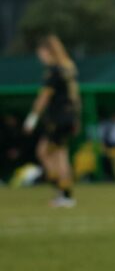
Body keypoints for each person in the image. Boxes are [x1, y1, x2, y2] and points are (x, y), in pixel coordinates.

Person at [23, 34, 81, 207]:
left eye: (41, 53)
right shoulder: (69, 68)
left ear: (48, 51)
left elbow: (43, 98)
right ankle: (64, 194)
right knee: (58, 154)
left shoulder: (54, 71)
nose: (40, 57)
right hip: (69, 117)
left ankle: (63, 193)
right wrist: (76, 118)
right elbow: (75, 97)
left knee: (48, 153)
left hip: (57, 119)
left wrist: (31, 120)